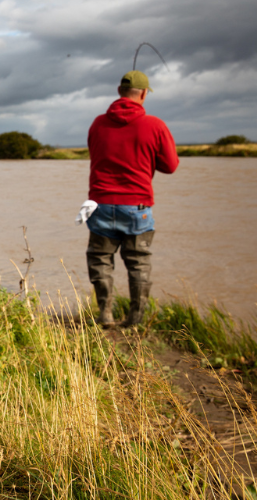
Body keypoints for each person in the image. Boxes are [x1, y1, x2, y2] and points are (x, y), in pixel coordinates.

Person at [85, 70, 179, 327]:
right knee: (138, 263)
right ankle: (135, 320)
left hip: (100, 203)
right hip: (137, 206)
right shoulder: (155, 125)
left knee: (100, 259)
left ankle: (105, 314)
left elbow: (97, 155)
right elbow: (170, 166)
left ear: (119, 92)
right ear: (144, 94)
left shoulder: (97, 123)